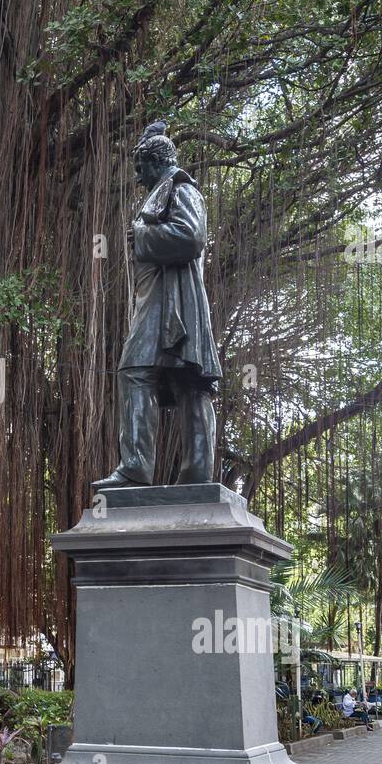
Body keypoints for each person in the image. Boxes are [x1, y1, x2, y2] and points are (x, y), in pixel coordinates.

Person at [94, 120, 222, 488]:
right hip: (159, 300)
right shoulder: (168, 190)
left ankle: (139, 469)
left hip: (174, 303)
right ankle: (188, 474)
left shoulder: (181, 188)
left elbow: (191, 237)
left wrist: (143, 235)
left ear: (154, 162)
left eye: (140, 168)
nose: (138, 178)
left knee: (141, 372)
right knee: (185, 381)